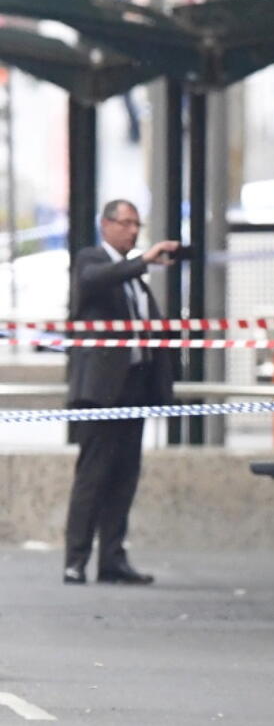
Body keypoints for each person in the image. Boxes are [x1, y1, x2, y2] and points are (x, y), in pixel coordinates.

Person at [63, 199, 179, 586]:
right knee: (93, 475)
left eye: (137, 224)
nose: (132, 230)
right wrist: (144, 259)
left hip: (134, 387)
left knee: (124, 476)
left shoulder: (135, 281)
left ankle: (112, 558)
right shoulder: (91, 261)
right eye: (126, 223)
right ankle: (75, 559)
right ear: (106, 225)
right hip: (101, 392)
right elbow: (96, 279)